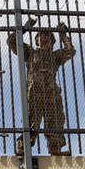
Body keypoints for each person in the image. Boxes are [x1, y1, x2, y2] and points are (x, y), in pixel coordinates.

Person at [7, 19, 76, 156]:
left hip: (51, 91)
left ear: (51, 41)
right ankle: (23, 147)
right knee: (32, 119)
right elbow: (12, 42)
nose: (43, 37)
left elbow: (70, 51)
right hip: (35, 90)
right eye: (40, 35)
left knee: (55, 119)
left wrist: (63, 35)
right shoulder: (30, 52)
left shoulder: (55, 56)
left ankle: (55, 148)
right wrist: (24, 29)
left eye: (47, 35)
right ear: (36, 40)